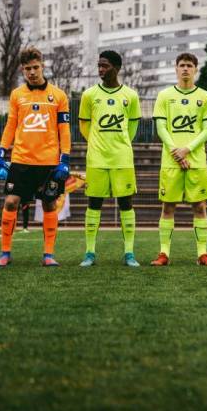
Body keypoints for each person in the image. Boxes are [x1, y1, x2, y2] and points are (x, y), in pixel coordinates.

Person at [0, 47, 71, 267]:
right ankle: (5, 252)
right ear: (22, 70)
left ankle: (48, 255)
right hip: (21, 160)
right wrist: (1, 151)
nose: (32, 72)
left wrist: (65, 158)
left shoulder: (59, 96)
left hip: (48, 162)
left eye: (35, 67)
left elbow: (64, 130)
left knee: (49, 205)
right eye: (28, 69)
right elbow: (11, 125)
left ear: (42, 65)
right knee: (10, 202)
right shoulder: (17, 95)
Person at [150, 53, 207, 266]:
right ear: (176, 69)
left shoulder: (205, 97)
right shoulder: (164, 96)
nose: (185, 69)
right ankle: (163, 254)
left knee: (199, 206)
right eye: (182, 65)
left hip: (196, 160)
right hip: (171, 161)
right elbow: (161, 128)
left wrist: (186, 150)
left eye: (189, 65)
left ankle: (202, 254)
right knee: (168, 207)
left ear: (196, 69)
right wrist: (175, 152)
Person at [77, 50, 142, 267]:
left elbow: (132, 126)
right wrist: (96, 142)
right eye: (99, 66)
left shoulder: (131, 95)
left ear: (117, 68)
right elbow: (84, 125)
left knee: (126, 202)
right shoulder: (89, 95)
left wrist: (120, 143)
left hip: (122, 158)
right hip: (96, 158)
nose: (100, 70)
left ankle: (129, 253)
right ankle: (89, 253)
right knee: (94, 202)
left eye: (105, 66)